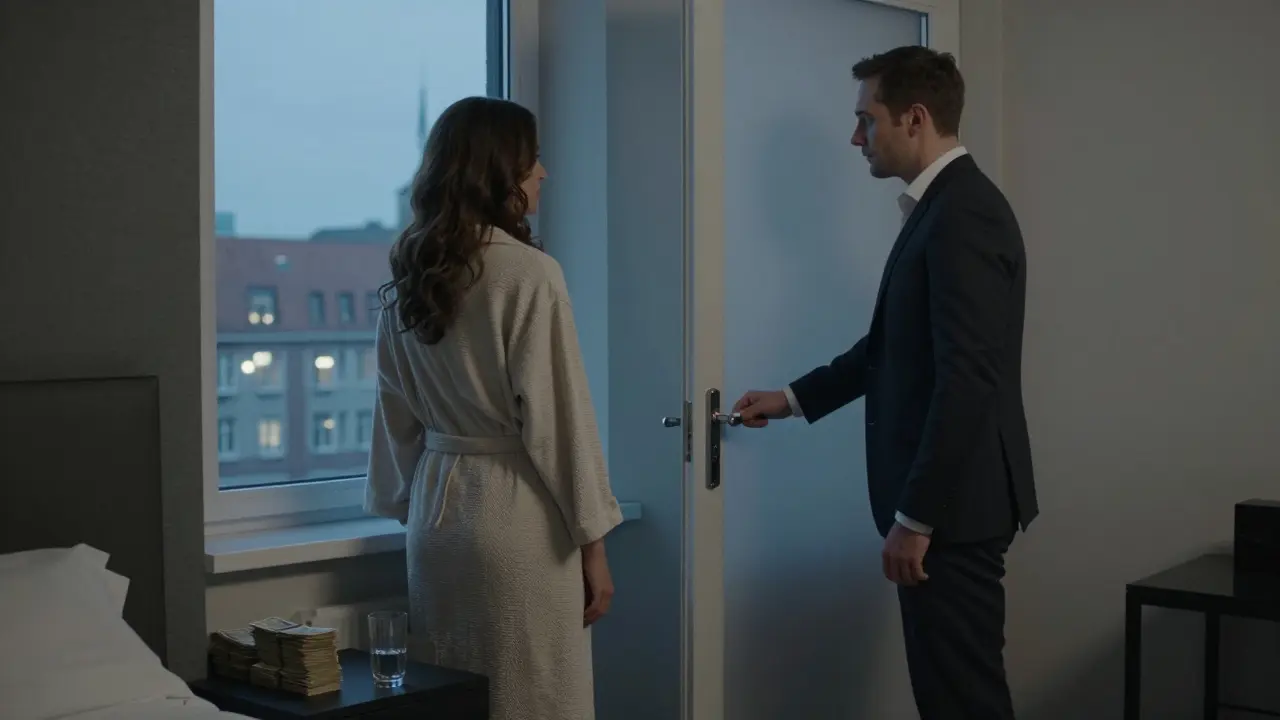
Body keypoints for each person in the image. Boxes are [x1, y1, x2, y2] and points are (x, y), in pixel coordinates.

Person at [732, 46, 1037, 720]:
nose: (855, 137)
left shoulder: (964, 215)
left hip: (953, 514)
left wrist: (915, 516)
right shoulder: (944, 209)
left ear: (915, 119)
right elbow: (898, 346)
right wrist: (792, 399)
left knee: (963, 699)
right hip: (950, 510)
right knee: (951, 695)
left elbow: (966, 379)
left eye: (865, 119)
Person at [364, 96, 623, 720]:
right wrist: (594, 547)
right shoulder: (528, 273)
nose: (544, 172)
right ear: (500, 171)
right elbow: (562, 422)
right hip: (516, 521)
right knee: (534, 697)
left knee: (454, 699)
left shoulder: (410, 272)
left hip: (437, 521)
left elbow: (394, 413)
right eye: (533, 158)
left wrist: (407, 503)